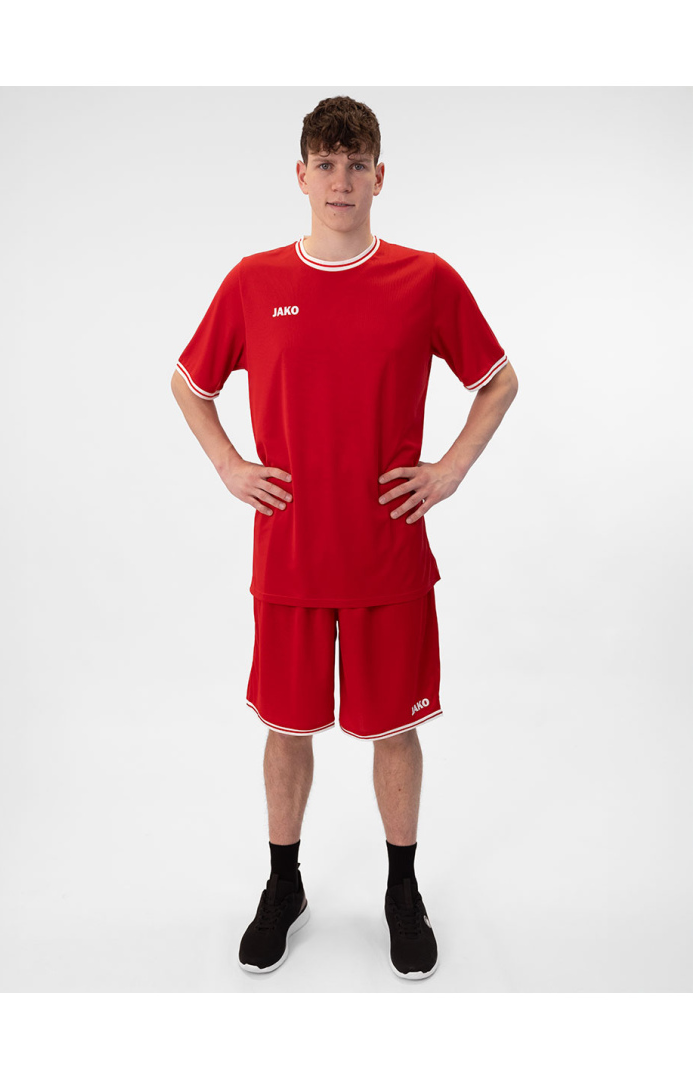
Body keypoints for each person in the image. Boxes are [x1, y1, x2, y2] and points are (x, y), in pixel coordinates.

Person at [171, 95, 518, 980]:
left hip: (388, 555)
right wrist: (228, 464)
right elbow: (189, 385)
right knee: (286, 729)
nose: (341, 180)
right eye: (325, 164)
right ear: (301, 175)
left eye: (356, 163)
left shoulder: (424, 279)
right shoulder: (253, 282)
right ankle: (283, 884)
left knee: (393, 732)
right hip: (289, 555)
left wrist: (451, 468)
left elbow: (499, 380)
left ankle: (403, 890)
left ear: (379, 176)